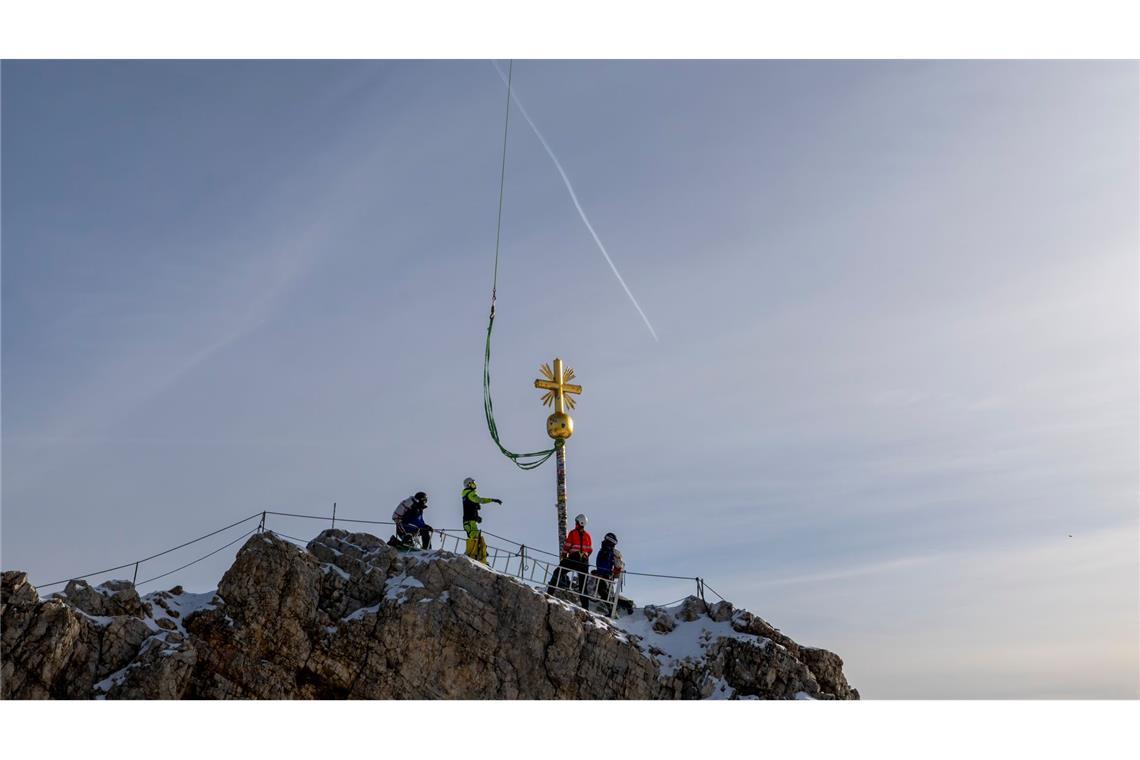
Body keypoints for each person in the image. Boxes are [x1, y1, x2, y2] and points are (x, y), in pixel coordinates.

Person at [548, 514, 592, 606]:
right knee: (583, 586)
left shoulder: (573, 533)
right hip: (584, 561)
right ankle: (585, 607)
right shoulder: (588, 536)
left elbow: (567, 546)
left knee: (558, 572)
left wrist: (564, 556)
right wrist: (584, 556)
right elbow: (590, 550)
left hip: (574, 558)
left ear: (578, 522)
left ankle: (549, 593)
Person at [461, 477, 502, 562]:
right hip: (469, 521)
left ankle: (479, 555)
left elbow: (471, 506)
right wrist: (492, 500)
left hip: (470, 521)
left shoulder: (467, 494)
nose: (474, 484)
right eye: (472, 483)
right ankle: (472, 555)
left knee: (476, 537)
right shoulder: (470, 493)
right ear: (468, 484)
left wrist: (476, 515)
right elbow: (480, 500)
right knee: (474, 537)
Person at [594, 532, 623, 608]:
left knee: (602, 590)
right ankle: (609, 607)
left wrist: (615, 572)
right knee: (603, 590)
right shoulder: (604, 550)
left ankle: (610, 608)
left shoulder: (611, 552)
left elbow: (618, 565)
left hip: (606, 574)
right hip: (602, 573)